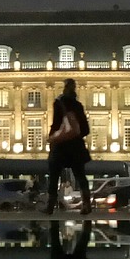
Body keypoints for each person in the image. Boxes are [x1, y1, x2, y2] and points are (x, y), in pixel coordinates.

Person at [45, 78, 91, 214]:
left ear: (64, 88)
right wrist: (74, 136)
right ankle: (87, 205)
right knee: (81, 176)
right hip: (76, 147)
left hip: (61, 147)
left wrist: (53, 138)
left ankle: (50, 207)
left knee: (54, 175)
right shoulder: (78, 106)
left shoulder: (59, 103)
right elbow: (85, 129)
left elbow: (56, 124)